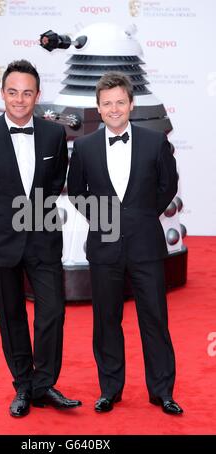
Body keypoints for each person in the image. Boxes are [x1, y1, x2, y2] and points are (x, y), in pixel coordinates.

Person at [0, 59, 82, 417]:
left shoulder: (53, 134)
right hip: (0, 239)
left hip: (43, 236)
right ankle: (23, 386)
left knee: (53, 312)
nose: (19, 99)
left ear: (37, 96)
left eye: (27, 93)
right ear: (2, 94)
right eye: (12, 92)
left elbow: (56, 180)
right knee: (11, 315)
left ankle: (44, 384)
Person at [67, 72, 183, 415]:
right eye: (107, 104)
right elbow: (76, 193)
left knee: (155, 319)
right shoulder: (84, 147)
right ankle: (110, 389)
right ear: (98, 109)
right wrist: (106, 220)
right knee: (106, 320)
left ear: (131, 104)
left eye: (120, 102)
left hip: (146, 244)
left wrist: (143, 216)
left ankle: (162, 391)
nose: (114, 109)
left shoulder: (154, 142)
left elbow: (168, 185)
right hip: (104, 246)